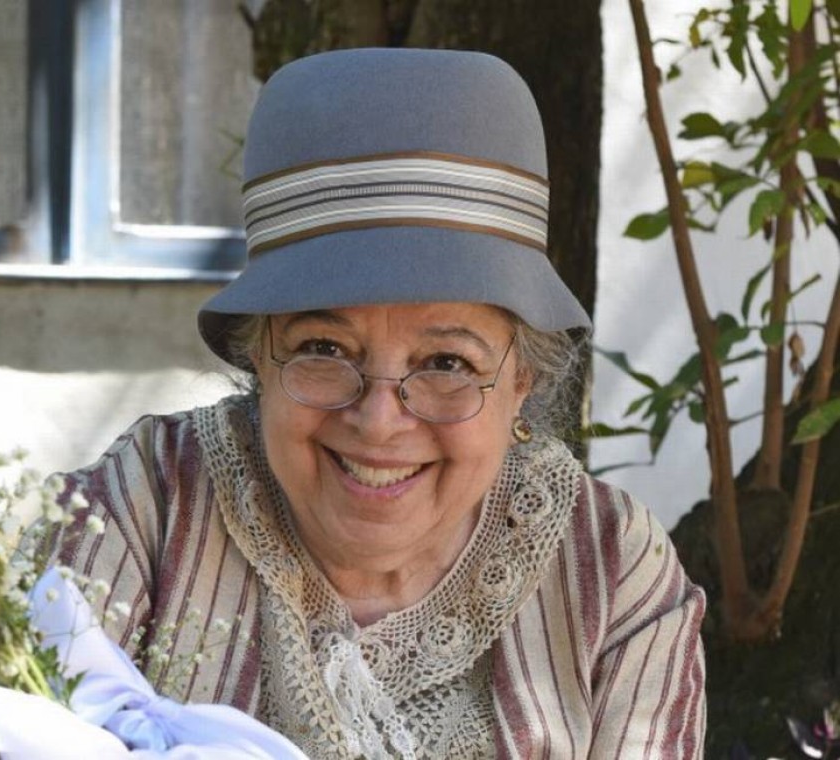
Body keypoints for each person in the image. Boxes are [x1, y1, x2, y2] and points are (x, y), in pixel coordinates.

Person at [50, 48, 706, 759]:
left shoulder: (608, 563)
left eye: (446, 363)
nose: (379, 420)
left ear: (523, 378)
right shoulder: (152, 497)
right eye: (323, 349)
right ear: (258, 358)